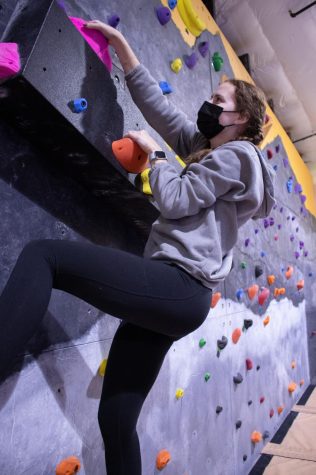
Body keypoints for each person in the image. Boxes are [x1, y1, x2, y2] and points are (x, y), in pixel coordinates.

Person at [0, 19, 275, 475]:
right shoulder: (210, 150)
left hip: (179, 284)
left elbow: (175, 198)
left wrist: (159, 158)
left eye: (217, 102)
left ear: (240, 117)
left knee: (45, 256)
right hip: (180, 296)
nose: (208, 106)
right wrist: (125, 52)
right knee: (116, 418)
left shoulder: (237, 156)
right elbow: (163, 114)